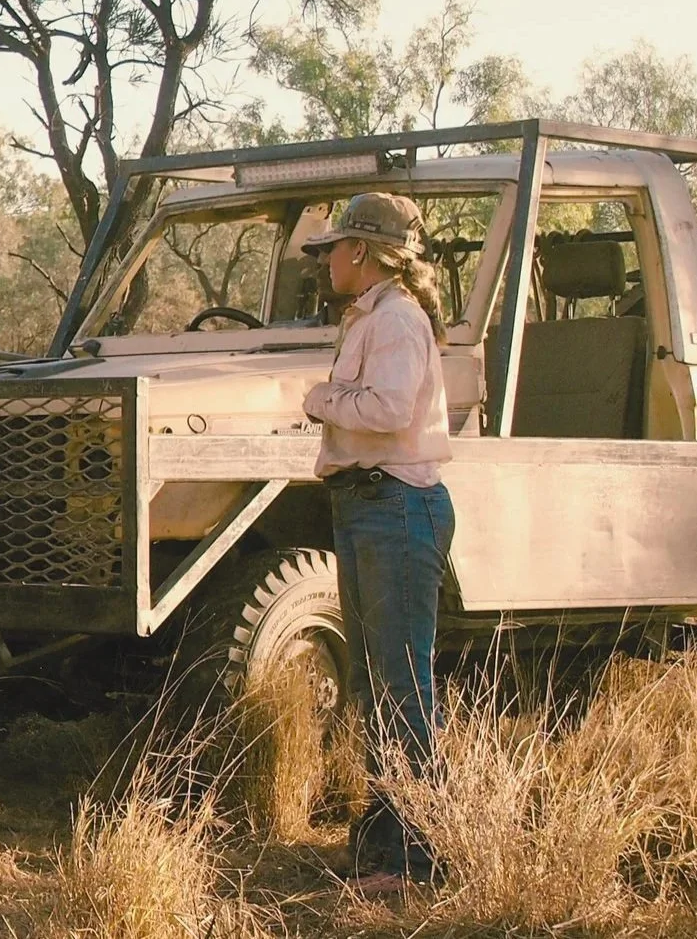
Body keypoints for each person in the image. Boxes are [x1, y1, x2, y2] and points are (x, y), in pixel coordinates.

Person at [300, 191, 456, 892]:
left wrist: (320, 400)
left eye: (335, 245)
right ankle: (387, 844)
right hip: (372, 504)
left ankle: (418, 857)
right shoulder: (377, 315)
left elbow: (391, 410)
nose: (328, 258)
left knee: (402, 685)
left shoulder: (396, 320)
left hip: (394, 502)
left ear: (360, 250)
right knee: (380, 683)